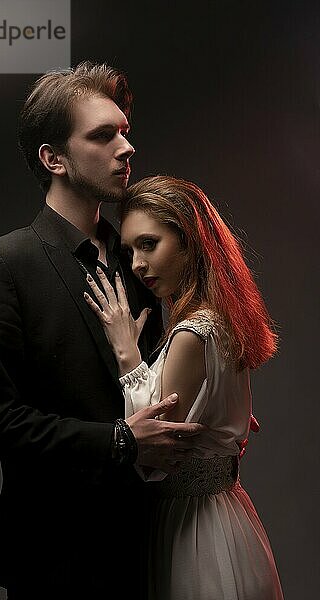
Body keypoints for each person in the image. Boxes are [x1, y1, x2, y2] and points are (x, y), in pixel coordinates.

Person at [0, 63, 208, 599]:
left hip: (149, 547)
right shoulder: (2, 265)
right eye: (103, 134)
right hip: (55, 560)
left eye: (124, 130)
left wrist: (213, 406)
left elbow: (153, 384)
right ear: (54, 158)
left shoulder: (137, 260)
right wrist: (117, 442)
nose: (126, 147)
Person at [84, 175, 284, 599]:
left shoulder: (192, 333)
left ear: (190, 241)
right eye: (130, 250)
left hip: (193, 527)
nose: (137, 264)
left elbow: (153, 453)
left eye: (149, 244)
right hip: (227, 516)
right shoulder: (222, 319)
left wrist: (127, 354)